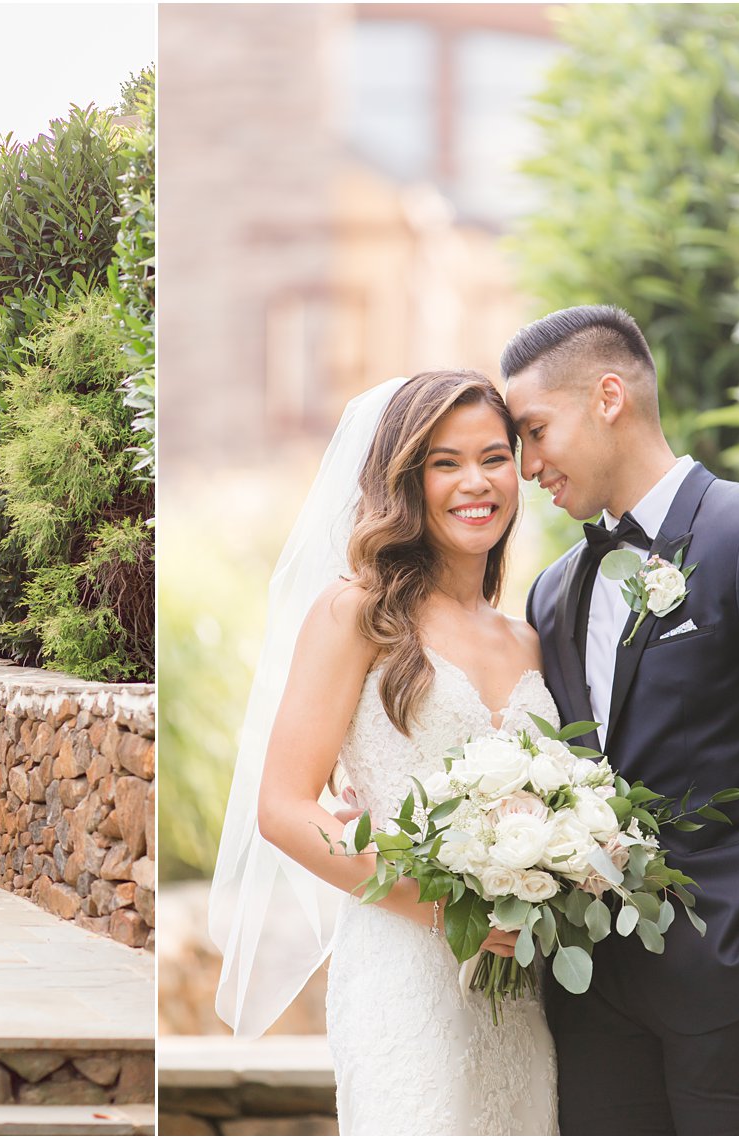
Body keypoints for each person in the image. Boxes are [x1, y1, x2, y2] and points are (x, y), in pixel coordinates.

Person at [504, 304, 739, 1136]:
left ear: (609, 396)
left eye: (536, 430)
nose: (527, 464)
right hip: (591, 992)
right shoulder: (552, 587)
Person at [211, 372, 558, 1136]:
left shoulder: (528, 637)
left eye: (494, 457)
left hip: (520, 991)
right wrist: (447, 904)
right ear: (406, 479)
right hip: (406, 974)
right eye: (445, 462)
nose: (476, 482)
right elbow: (284, 806)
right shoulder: (356, 612)